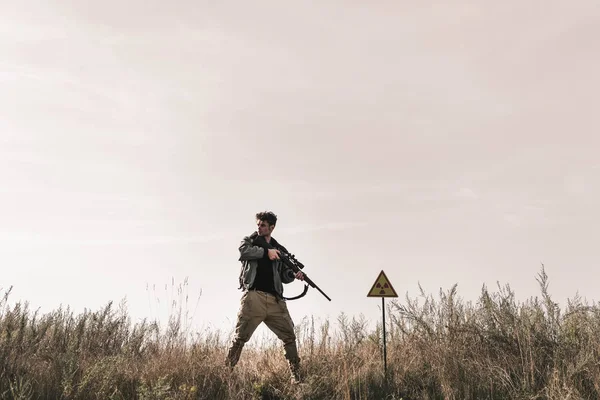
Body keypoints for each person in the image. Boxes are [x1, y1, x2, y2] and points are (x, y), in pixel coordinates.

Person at [225, 211, 305, 383]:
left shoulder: (280, 250)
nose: (259, 228)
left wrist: (293, 274)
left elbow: (284, 276)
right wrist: (265, 252)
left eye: (263, 225)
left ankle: (296, 377)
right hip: (255, 297)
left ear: (272, 227)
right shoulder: (250, 241)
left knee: (289, 337)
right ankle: (227, 374)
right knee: (240, 337)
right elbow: (243, 252)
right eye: (258, 225)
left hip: (275, 300)